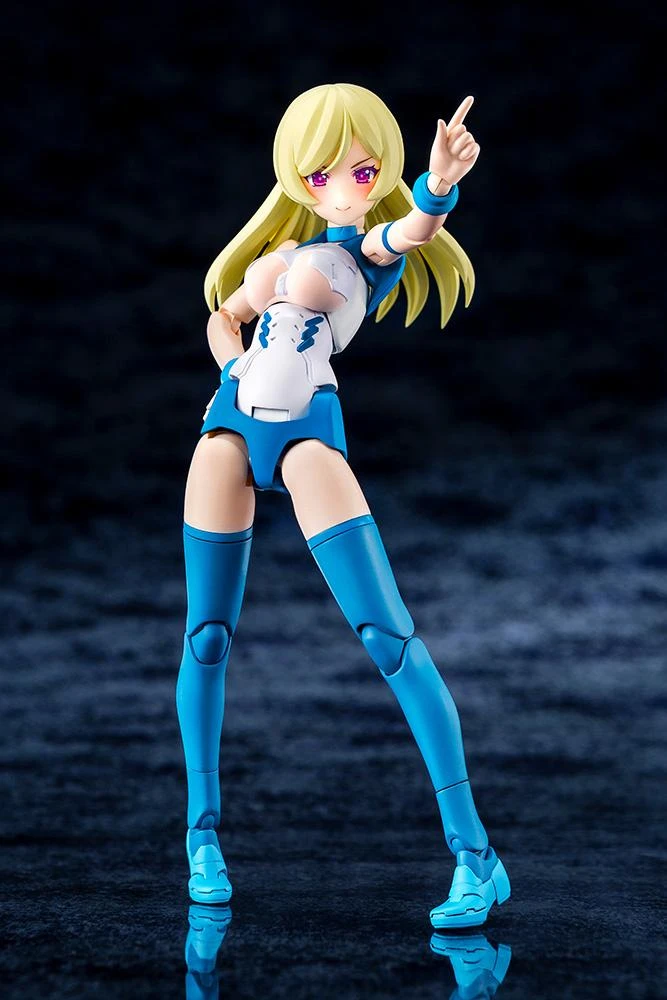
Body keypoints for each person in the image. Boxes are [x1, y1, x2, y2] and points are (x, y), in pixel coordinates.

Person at [176, 83, 510, 929]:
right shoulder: (276, 257)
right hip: (227, 425)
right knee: (206, 636)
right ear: (296, 175)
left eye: (362, 171)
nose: (341, 186)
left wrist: (437, 185)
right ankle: (202, 838)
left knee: (388, 638)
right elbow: (224, 315)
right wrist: (231, 365)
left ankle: (476, 856)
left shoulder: (363, 253)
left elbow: (412, 229)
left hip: (307, 434)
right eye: (321, 172)